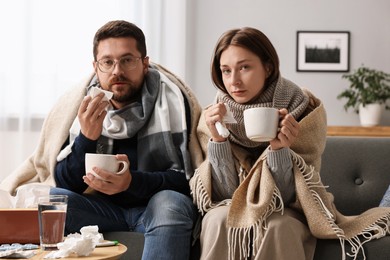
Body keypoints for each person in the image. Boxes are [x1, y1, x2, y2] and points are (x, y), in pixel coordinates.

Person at [0, 20, 203, 260]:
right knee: (51, 201)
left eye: (127, 60)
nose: (117, 71)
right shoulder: (81, 106)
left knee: (171, 203)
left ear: (145, 64)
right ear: (96, 68)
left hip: (155, 206)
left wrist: (131, 183)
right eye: (108, 62)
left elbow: (188, 180)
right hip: (100, 209)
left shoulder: (174, 103)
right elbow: (64, 183)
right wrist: (86, 137)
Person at [190, 27, 390, 260]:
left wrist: (278, 150)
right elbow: (226, 195)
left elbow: (287, 199)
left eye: (244, 67)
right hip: (233, 204)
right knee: (217, 219)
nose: (233, 81)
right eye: (226, 71)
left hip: (290, 210)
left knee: (279, 226)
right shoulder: (213, 118)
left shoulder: (304, 113)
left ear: (268, 67)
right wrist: (219, 141)